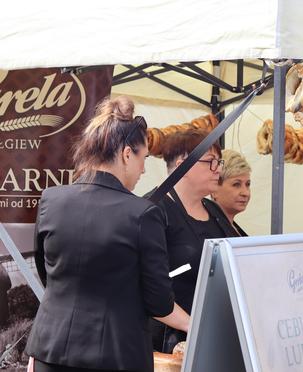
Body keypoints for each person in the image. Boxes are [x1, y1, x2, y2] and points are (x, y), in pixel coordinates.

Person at [25, 96, 189, 372]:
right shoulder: (143, 215)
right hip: (115, 356)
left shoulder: (51, 201)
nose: (143, 169)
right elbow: (159, 302)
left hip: (49, 351)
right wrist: (195, 324)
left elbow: (49, 276)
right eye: (143, 158)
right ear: (127, 153)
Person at [148, 128, 234, 352]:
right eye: (211, 162)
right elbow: (148, 285)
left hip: (216, 331)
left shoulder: (213, 208)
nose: (218, 170)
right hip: (169, 341)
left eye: (219, 162)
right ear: (182, 165)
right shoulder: (153, 210)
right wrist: (193, 326)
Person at [211, 149, 252, 237]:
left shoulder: (233, 229)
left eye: (248, 184)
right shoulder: (210, 232)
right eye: (236, 184)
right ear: (214, 189)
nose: (246, 193)